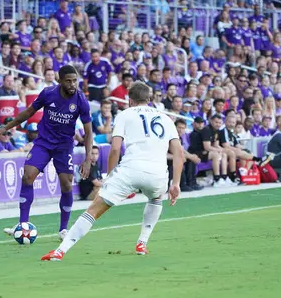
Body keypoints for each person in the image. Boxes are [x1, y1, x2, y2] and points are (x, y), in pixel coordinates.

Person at [41, 81, 183, 261]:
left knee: (94, 210)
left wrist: (108, 176)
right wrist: (175, 183)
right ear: (149, 98)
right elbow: (178, 153)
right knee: (155, 199)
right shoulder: (165, 118)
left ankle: (60, 251)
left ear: (130, 99)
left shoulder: (125, 114)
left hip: (131, 170)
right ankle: (142, 243)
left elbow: (115, 149)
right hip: (158, 174)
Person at [0, 65, 93, 240]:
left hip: (64, 147)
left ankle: (63, 229)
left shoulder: (81, 101)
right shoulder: (48, 93)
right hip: (43, 143)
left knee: (66, 185)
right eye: (69, 81)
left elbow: (89, 132)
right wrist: (6, 127)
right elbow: (28, 112)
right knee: (27, 177)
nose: (73, 85)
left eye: (75, 81)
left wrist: (87, 159)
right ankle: (23, 224)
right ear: (60, 80)